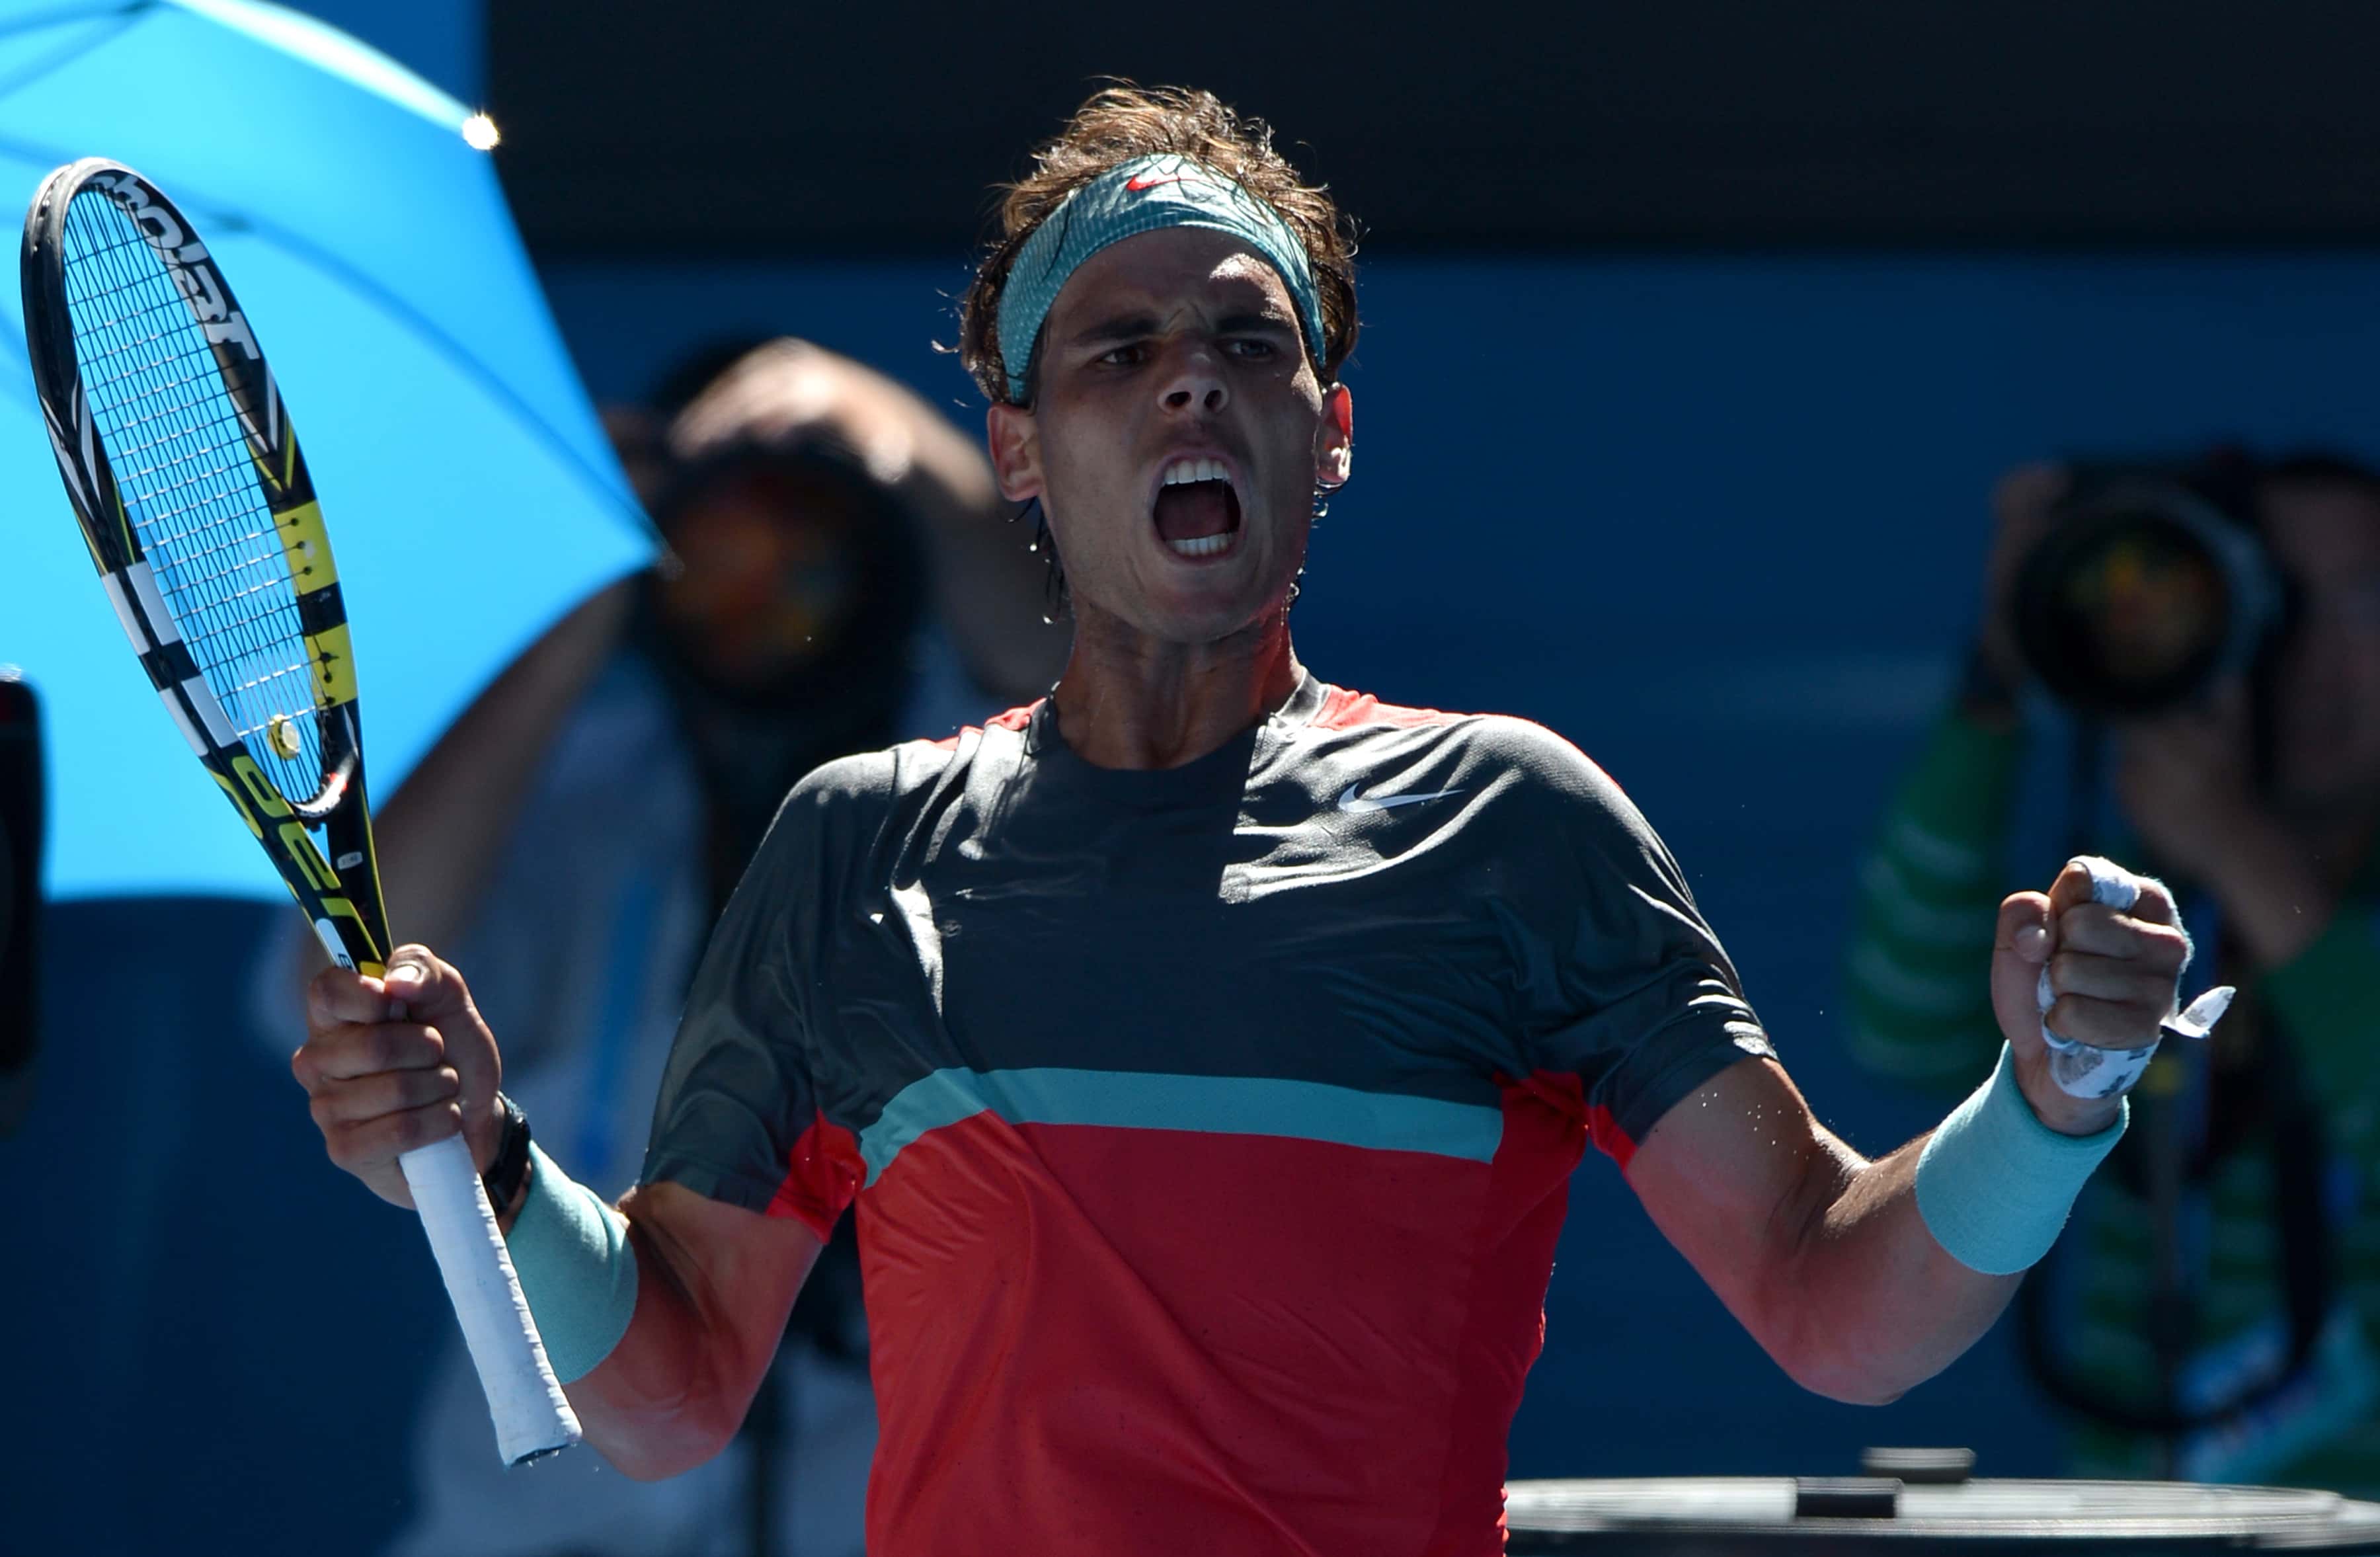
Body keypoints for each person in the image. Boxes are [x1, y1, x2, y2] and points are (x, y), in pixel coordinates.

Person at [292, 86, 2197, 1555]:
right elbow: (673, 1384)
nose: (1190, 371)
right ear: (1020, 447)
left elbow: (1834, 1301)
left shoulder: (1515, 826)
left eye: (1247, 338)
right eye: (1116, 349)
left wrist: (2052, 1098)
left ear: (1329, 429)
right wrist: (501, 1159)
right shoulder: (853, 851)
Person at [278, 338, 1064, 1557]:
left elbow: (1117, 694)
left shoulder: (992, 787)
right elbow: (330, 993)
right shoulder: (575, 796)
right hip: (549, 1525)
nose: (758, 578)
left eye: (805, 524)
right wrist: (578, 596)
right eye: (713, 540)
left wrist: (905, 446)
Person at [1846, 453, 2380, 1490]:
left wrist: (2238, 846)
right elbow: (1900, 1026)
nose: (2311, 649)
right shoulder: (2132, 912)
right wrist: (2000, 676)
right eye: (2272, 593)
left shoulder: (2210, 879)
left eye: (2362, 593)